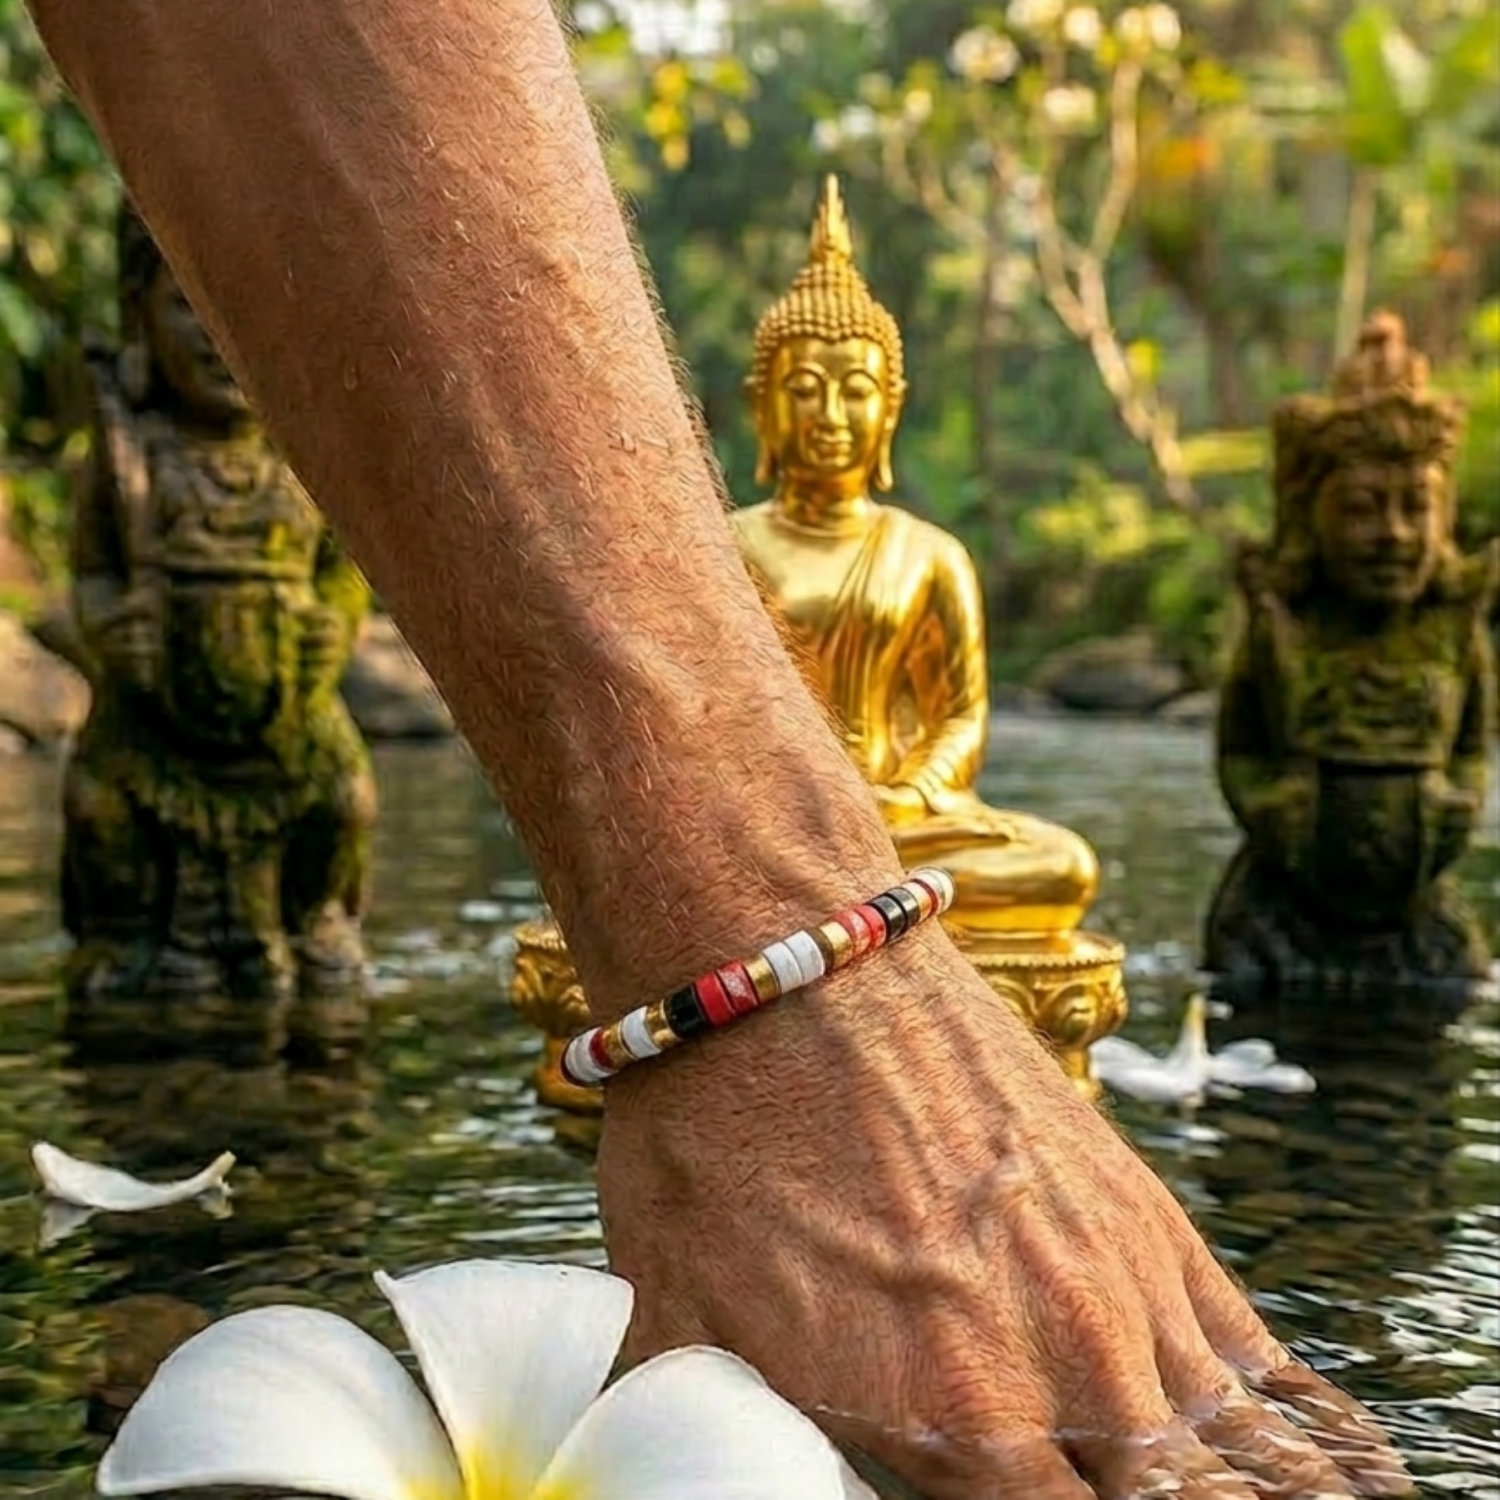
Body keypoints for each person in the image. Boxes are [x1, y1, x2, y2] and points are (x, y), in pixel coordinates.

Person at [23, 0, 1410, 1494]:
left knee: (1023, 860)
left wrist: (833, 892)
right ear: (755, 405)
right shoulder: (732, 546)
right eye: (802, 387)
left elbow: (938, 736)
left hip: (855, 863)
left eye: (856, 388)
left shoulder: (921, 557)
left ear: (890, 410)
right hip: (763, 883)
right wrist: (764, 940)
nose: (829, 414)